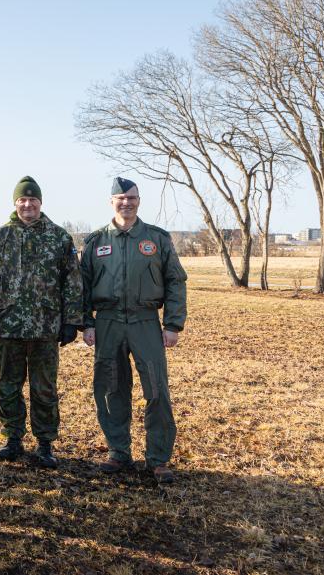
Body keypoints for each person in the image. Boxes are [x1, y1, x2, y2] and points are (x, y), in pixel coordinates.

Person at [81, 177, 187, 484]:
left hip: (145, 322)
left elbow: (175, 281)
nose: (126, 203)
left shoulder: (156, 239)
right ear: (111, 202)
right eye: (121, 198)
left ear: (138, 201)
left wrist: (172, 324)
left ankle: (158, 458)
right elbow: (82, 286)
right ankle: (118, 452)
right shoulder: (96, 242)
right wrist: (87, 322)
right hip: (108, 322)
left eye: (132, 198)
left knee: (156, 390)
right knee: (111, 388)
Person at [0, 176, 82, 468]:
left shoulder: (59, 237)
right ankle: (12, 438)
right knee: (8, 386)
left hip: (46, 327)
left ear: (40, 202)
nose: (27, 205)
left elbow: (72, 281)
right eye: (22, 200)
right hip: (9, 325)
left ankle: (45, 443)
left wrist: (71, 320)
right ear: (15, 203)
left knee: (44, 388)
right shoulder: (1, 237)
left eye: (32, 200)